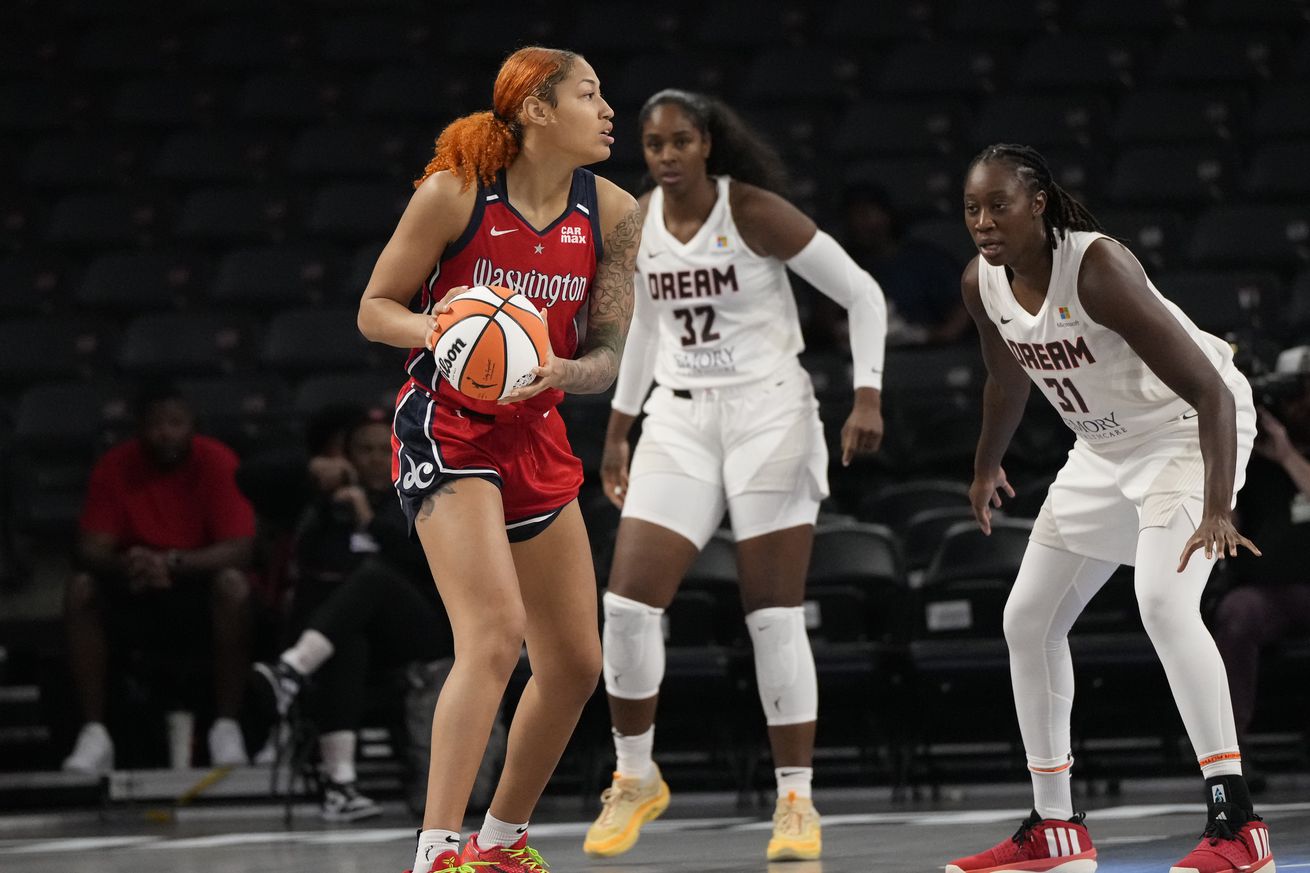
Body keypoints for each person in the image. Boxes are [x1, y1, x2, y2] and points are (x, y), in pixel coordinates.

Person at [944, 143, 1273, 873]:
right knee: (1026, 618)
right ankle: (1055, 827)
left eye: (998, 204)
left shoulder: (1096, 267)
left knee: (1161, 599)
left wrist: (1218, 505)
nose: (984, 221)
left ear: (1037, 201)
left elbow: (1213, 391)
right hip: (1104, 449)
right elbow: (1007, 378)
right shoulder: (981, 282)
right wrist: (985, 462)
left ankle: (1239, 825)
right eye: (972, 207)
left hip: (1188, 432)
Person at [582, 89, 887, 863]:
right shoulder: (636, 220)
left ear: (709, 143)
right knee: (624, 608)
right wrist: (618, 429)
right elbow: (645, 327)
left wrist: (867, 394)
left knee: (773, 614)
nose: (667, 155)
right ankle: (634, 775)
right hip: (679, 418)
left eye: (681, 140)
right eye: (654, 145)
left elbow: (861, 292)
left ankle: (795, 798)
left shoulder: (753, 211)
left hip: (768, 413)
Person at [355, 46, 638, 873]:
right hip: (448, 425)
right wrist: (438, 328)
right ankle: (436, 852)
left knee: (577, 662)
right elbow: (375, 310)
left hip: (536, 429)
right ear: (539, 111)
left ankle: (500, 843)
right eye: (590, 93)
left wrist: (571, 371)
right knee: (492, 632)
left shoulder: (617, 211)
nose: (608, 108)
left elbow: (611, 350)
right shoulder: (453, 192)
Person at [251, 407, 455, 822]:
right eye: (364, 449)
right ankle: (341, 787)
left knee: (375, 577)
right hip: (363, 639)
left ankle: (291, 671)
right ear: (347, 455)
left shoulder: (420, 495)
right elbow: (248, 477)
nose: (376, 458)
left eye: (385, 448)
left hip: (421, 632)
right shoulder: (325, 506)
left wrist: (369, 520)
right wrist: (314, 471)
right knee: (346, 644)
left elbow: (428, 564)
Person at [62, 383, 256, 773]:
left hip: (196, 584)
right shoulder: (115, 465)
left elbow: (240, 548)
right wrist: (130, 563)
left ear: (192, 426)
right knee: (80, 589)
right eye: (155, 424)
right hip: (133, 583)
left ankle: (226, 727)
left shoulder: (217, 461)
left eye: (175, 423)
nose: (165, 433)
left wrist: (172, 562)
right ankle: (95, 733)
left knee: (234, 586)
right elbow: (91, 548)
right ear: (138, 428)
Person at [1213, 346, 1310, 771]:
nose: (1294, 406)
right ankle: (1233, 756)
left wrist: (1289, 456)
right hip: (1265, 591)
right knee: (1236, 613)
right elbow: (1226, 525)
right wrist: (1234, 452)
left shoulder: (1289, 451)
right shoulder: (1251, 449)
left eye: (1301, 394)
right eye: (1287, 396)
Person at [840, 182, 969, 345]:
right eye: (852, 216)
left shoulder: (924, 259)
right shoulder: (844, 265)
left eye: (865, 214)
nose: (858, 223)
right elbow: (827, 317)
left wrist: (939, 336)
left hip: (925, 355)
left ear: (887, 216)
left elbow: (964, 303)